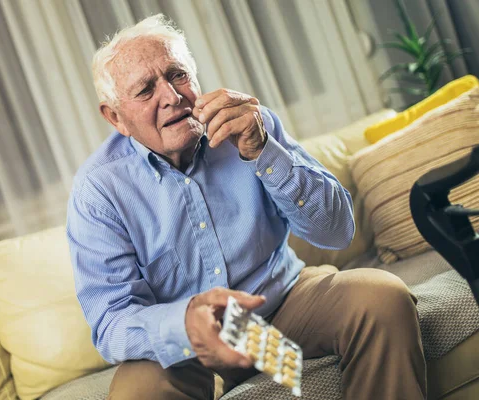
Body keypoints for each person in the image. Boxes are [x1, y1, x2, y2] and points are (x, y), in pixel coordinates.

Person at [67, 14, 426, 400]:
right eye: (145, 90)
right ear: (115, 117)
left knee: (381, 298)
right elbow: (111, 321)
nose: (171, 96)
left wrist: (263, 150)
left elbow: (337, 230)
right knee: (138, 393)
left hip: (282, 302)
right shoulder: (98, 191)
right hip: (187, 346)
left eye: (177, 75)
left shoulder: (251, 125)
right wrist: (186, 324)